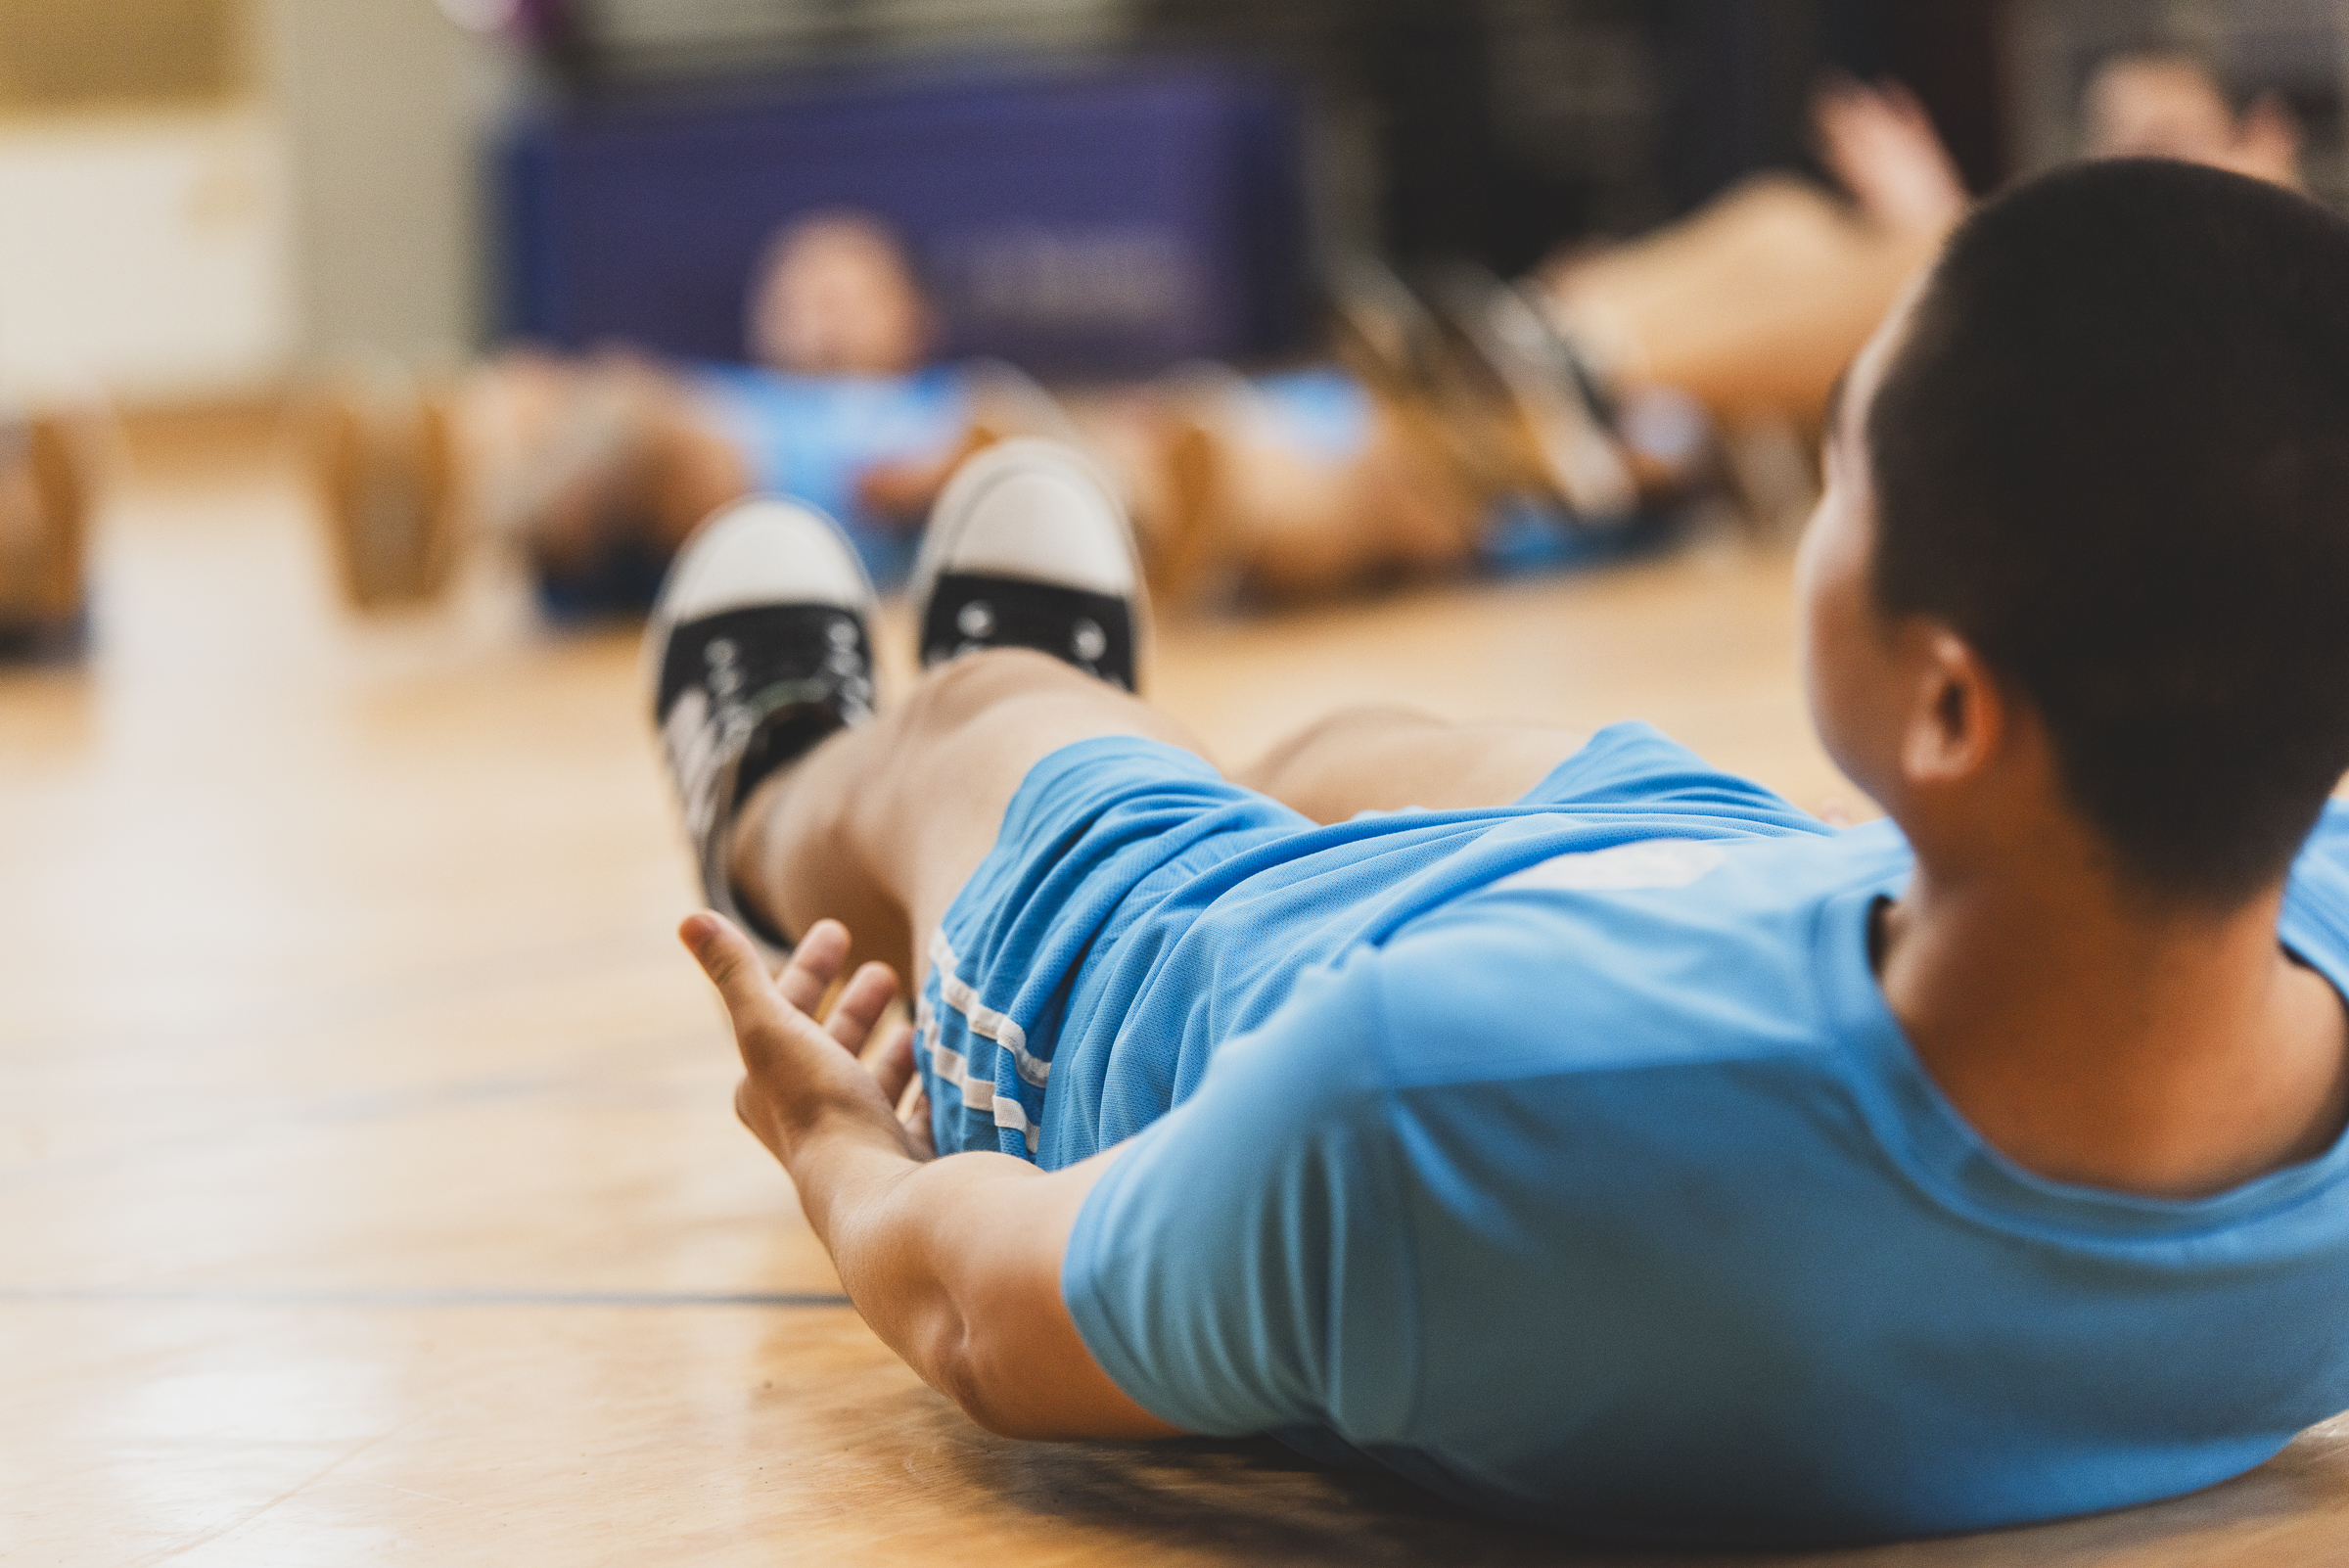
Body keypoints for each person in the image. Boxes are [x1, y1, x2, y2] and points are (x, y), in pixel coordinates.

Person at [649, 158, 2349, 1545]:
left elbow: (983, 1312)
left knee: (980, 723)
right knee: (1351, 751)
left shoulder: (1447, 1107)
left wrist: (843, 1150)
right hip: (1800, 892)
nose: (1822, 512)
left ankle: (782, 791)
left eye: (1842, 480)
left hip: (1228, 1024)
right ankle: (1095, 772)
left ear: (1952, 710)